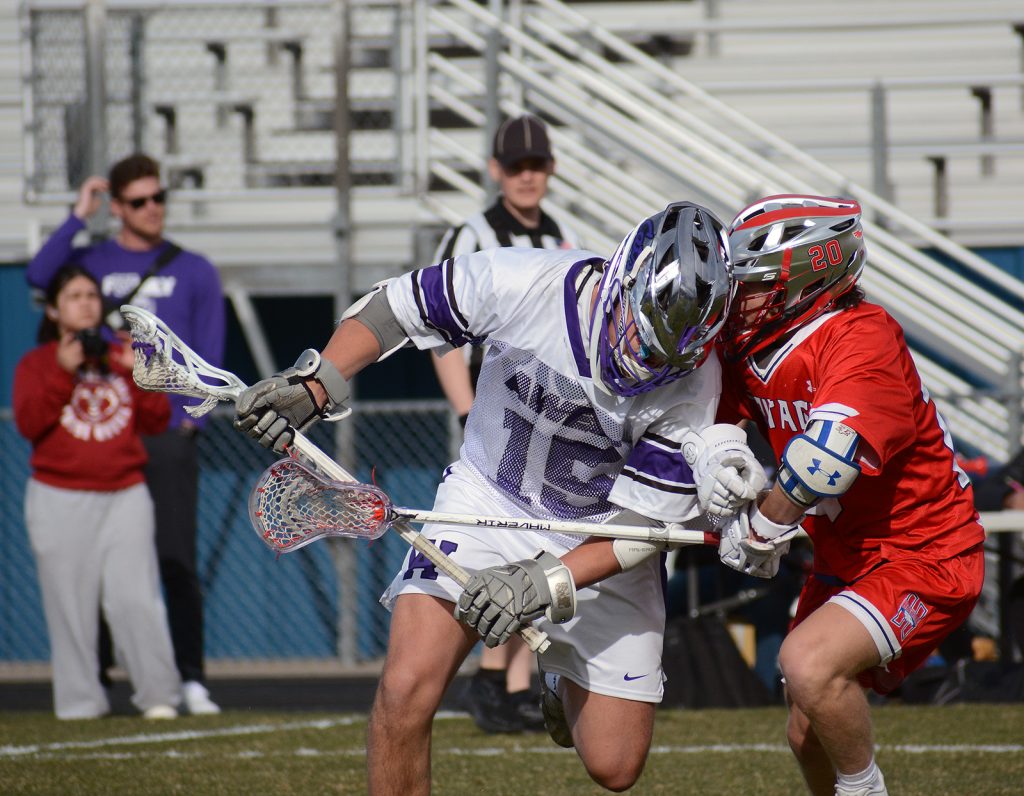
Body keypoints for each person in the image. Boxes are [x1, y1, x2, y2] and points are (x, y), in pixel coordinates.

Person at [233, 202, 766, 792]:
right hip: (488, 498)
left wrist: (544, 583)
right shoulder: (524, 281)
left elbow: (638, 530)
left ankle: (559, 679)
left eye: (668, 355)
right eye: (640, 334)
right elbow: (393, 309)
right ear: (621, 279)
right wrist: (318, 382)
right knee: (407, 687)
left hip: (601, 530)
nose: (644, 362)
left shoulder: (697, 384)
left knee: (615, 766)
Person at [711, 194, 986, 796]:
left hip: (924, 553)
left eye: (755, 283)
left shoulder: (863, 337)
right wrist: (722, 468)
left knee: (807, 665)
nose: (739, 299)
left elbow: (826, 461)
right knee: (806, 732)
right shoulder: (751, 343)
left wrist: (763, 525)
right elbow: (718, 424)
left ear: (808, 279)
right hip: (848, 555)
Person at [25, 153, 226, 715]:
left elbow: (208, 348)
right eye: (139, 201)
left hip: (166, 430)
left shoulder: (194, 268)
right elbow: (40, 276)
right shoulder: (93, 258)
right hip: (108, 425)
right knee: (96, 563)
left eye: (159, 198)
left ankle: (189, 677)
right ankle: (101, 674)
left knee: (173, 558)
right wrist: (76, 218)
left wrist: (193, 419)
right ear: (117, 207)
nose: (154, 209)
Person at [431, 113, 582, 734]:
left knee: (544, 546)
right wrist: (469, 410)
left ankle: (512, 683)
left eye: (536, 165)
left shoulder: (562, 233)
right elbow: (442, 337)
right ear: (495, 171)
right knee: (491, 543)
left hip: (549, 420)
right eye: (515, 166)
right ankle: (491, 679)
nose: (526, 176)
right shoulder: (471, 234)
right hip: (492, 418)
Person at [13, 265, 181, 720]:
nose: (86, 303)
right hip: (58, 496)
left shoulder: (121, 356)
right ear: (54, 309)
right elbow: (29, 423)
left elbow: (157, 420)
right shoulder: (38, 362)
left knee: (134, 599)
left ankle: (159, 697)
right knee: (70, 606)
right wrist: (64, 373)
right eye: (74, 296)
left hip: (124, 494)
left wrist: (138, 374)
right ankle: (80, 704)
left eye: (92, 294)